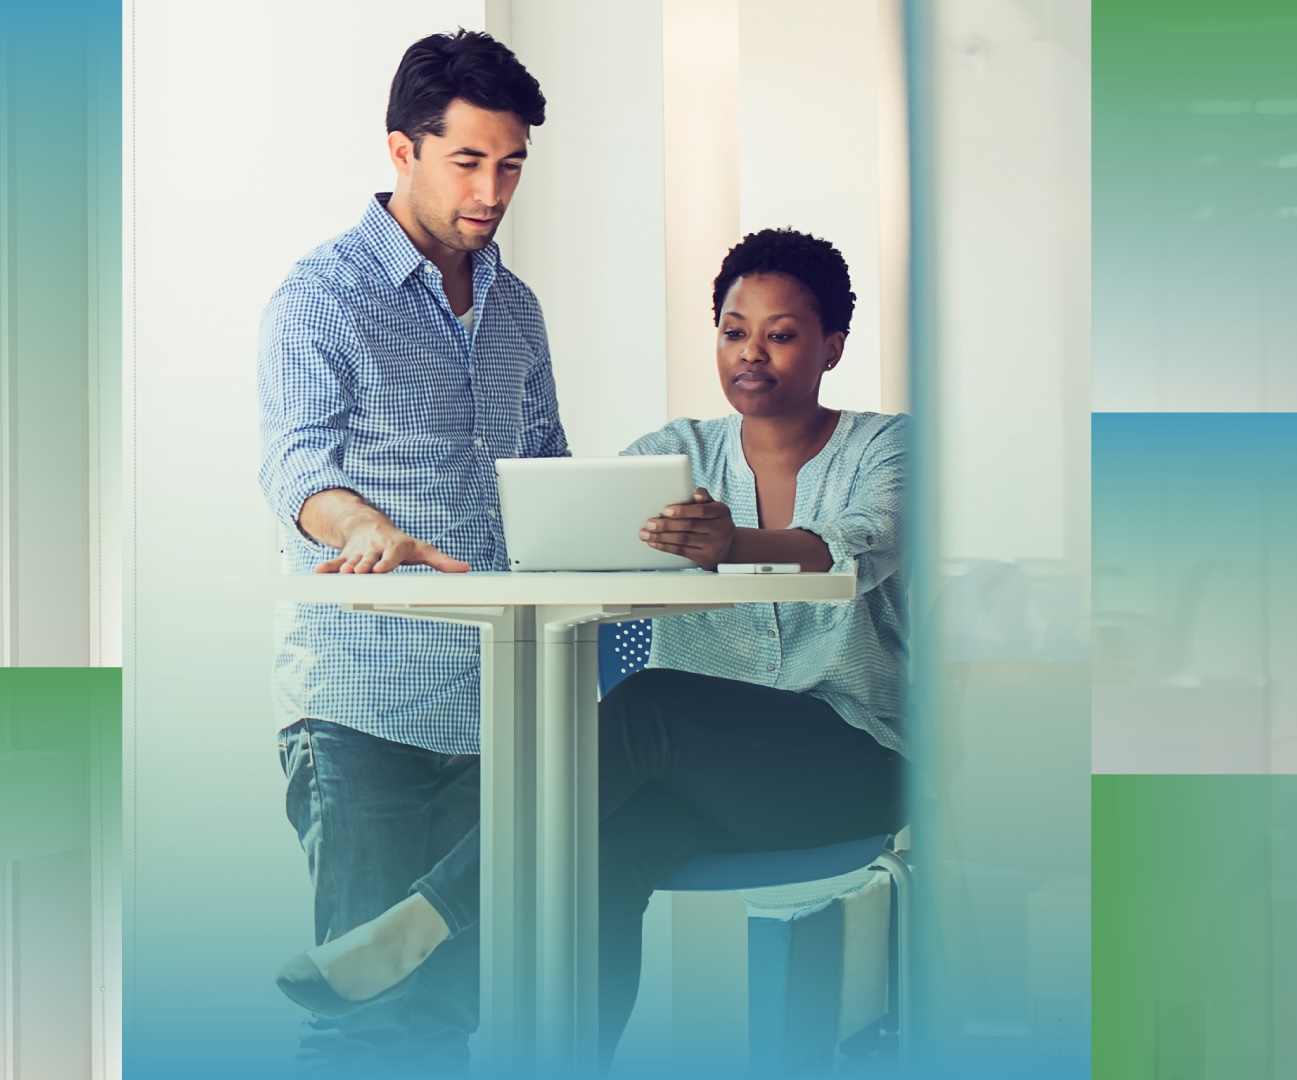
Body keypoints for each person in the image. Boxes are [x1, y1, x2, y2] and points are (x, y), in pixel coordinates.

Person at [278, 227, 908, 1062]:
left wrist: (738, 545)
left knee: (647, 701)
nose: (751, 352)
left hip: (849, 764)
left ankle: (424, 918)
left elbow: (865, 538)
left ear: (831, 345)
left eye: (781, 334)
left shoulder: (886, 447)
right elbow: (570, 523)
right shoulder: (675, 457)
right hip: (710, 787)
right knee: (599, 852)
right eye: (732, 330)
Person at [255, 29, 564, 1073]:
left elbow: (546, 476)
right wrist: (362, 526)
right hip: (366, 712)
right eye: (469, 161)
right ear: (402, 148)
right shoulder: (320, 297)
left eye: (511, 163)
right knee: (364, 1027)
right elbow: (297, 466)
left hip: (501, 714)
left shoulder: (518, 311)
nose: (493, 189)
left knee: (447, 1022)